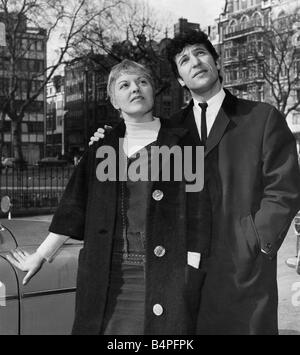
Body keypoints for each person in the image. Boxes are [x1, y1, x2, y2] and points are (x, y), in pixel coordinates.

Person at [89, 30, 300, 335]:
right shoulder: (169, 129)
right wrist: (104, 141)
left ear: (216, 61)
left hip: (244, 269)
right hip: (182, 272)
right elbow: (136, 178)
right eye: (184, 60)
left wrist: (253, 240)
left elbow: (283, 189)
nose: (195, 62)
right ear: (180, 80)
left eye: (200, 53)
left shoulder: (262, 117)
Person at [7, 59, 211, 335]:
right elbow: (74, 207)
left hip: (165, 270)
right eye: (124, 85)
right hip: (108, 271)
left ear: (153, 90)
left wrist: (192, 267)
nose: (135, 89)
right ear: (114, 100)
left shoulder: (184, 142)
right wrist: (41, 255)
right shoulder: (102, 148)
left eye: (142, 82)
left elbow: (200, 209)